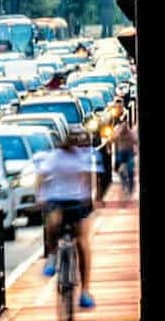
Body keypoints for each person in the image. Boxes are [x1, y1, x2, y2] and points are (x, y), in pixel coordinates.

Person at [36, 138, 101, 309]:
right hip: (57, 200)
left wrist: (91, 197)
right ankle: (51, 256)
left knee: (82, 242)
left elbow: (89, 177)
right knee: (52, 223)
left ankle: (85, 291)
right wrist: (40, 196)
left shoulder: (83, 156)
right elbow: (41, 176)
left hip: (78, 201)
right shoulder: (54, 157)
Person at [111, 118, 138, 198]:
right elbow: (112, 139)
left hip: (129, 152)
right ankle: (125, 184)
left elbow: (135, 141)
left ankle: (130, 186)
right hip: (121, 152)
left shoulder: (130, 133)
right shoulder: (118, 132)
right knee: (121, 170)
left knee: (130, 170)